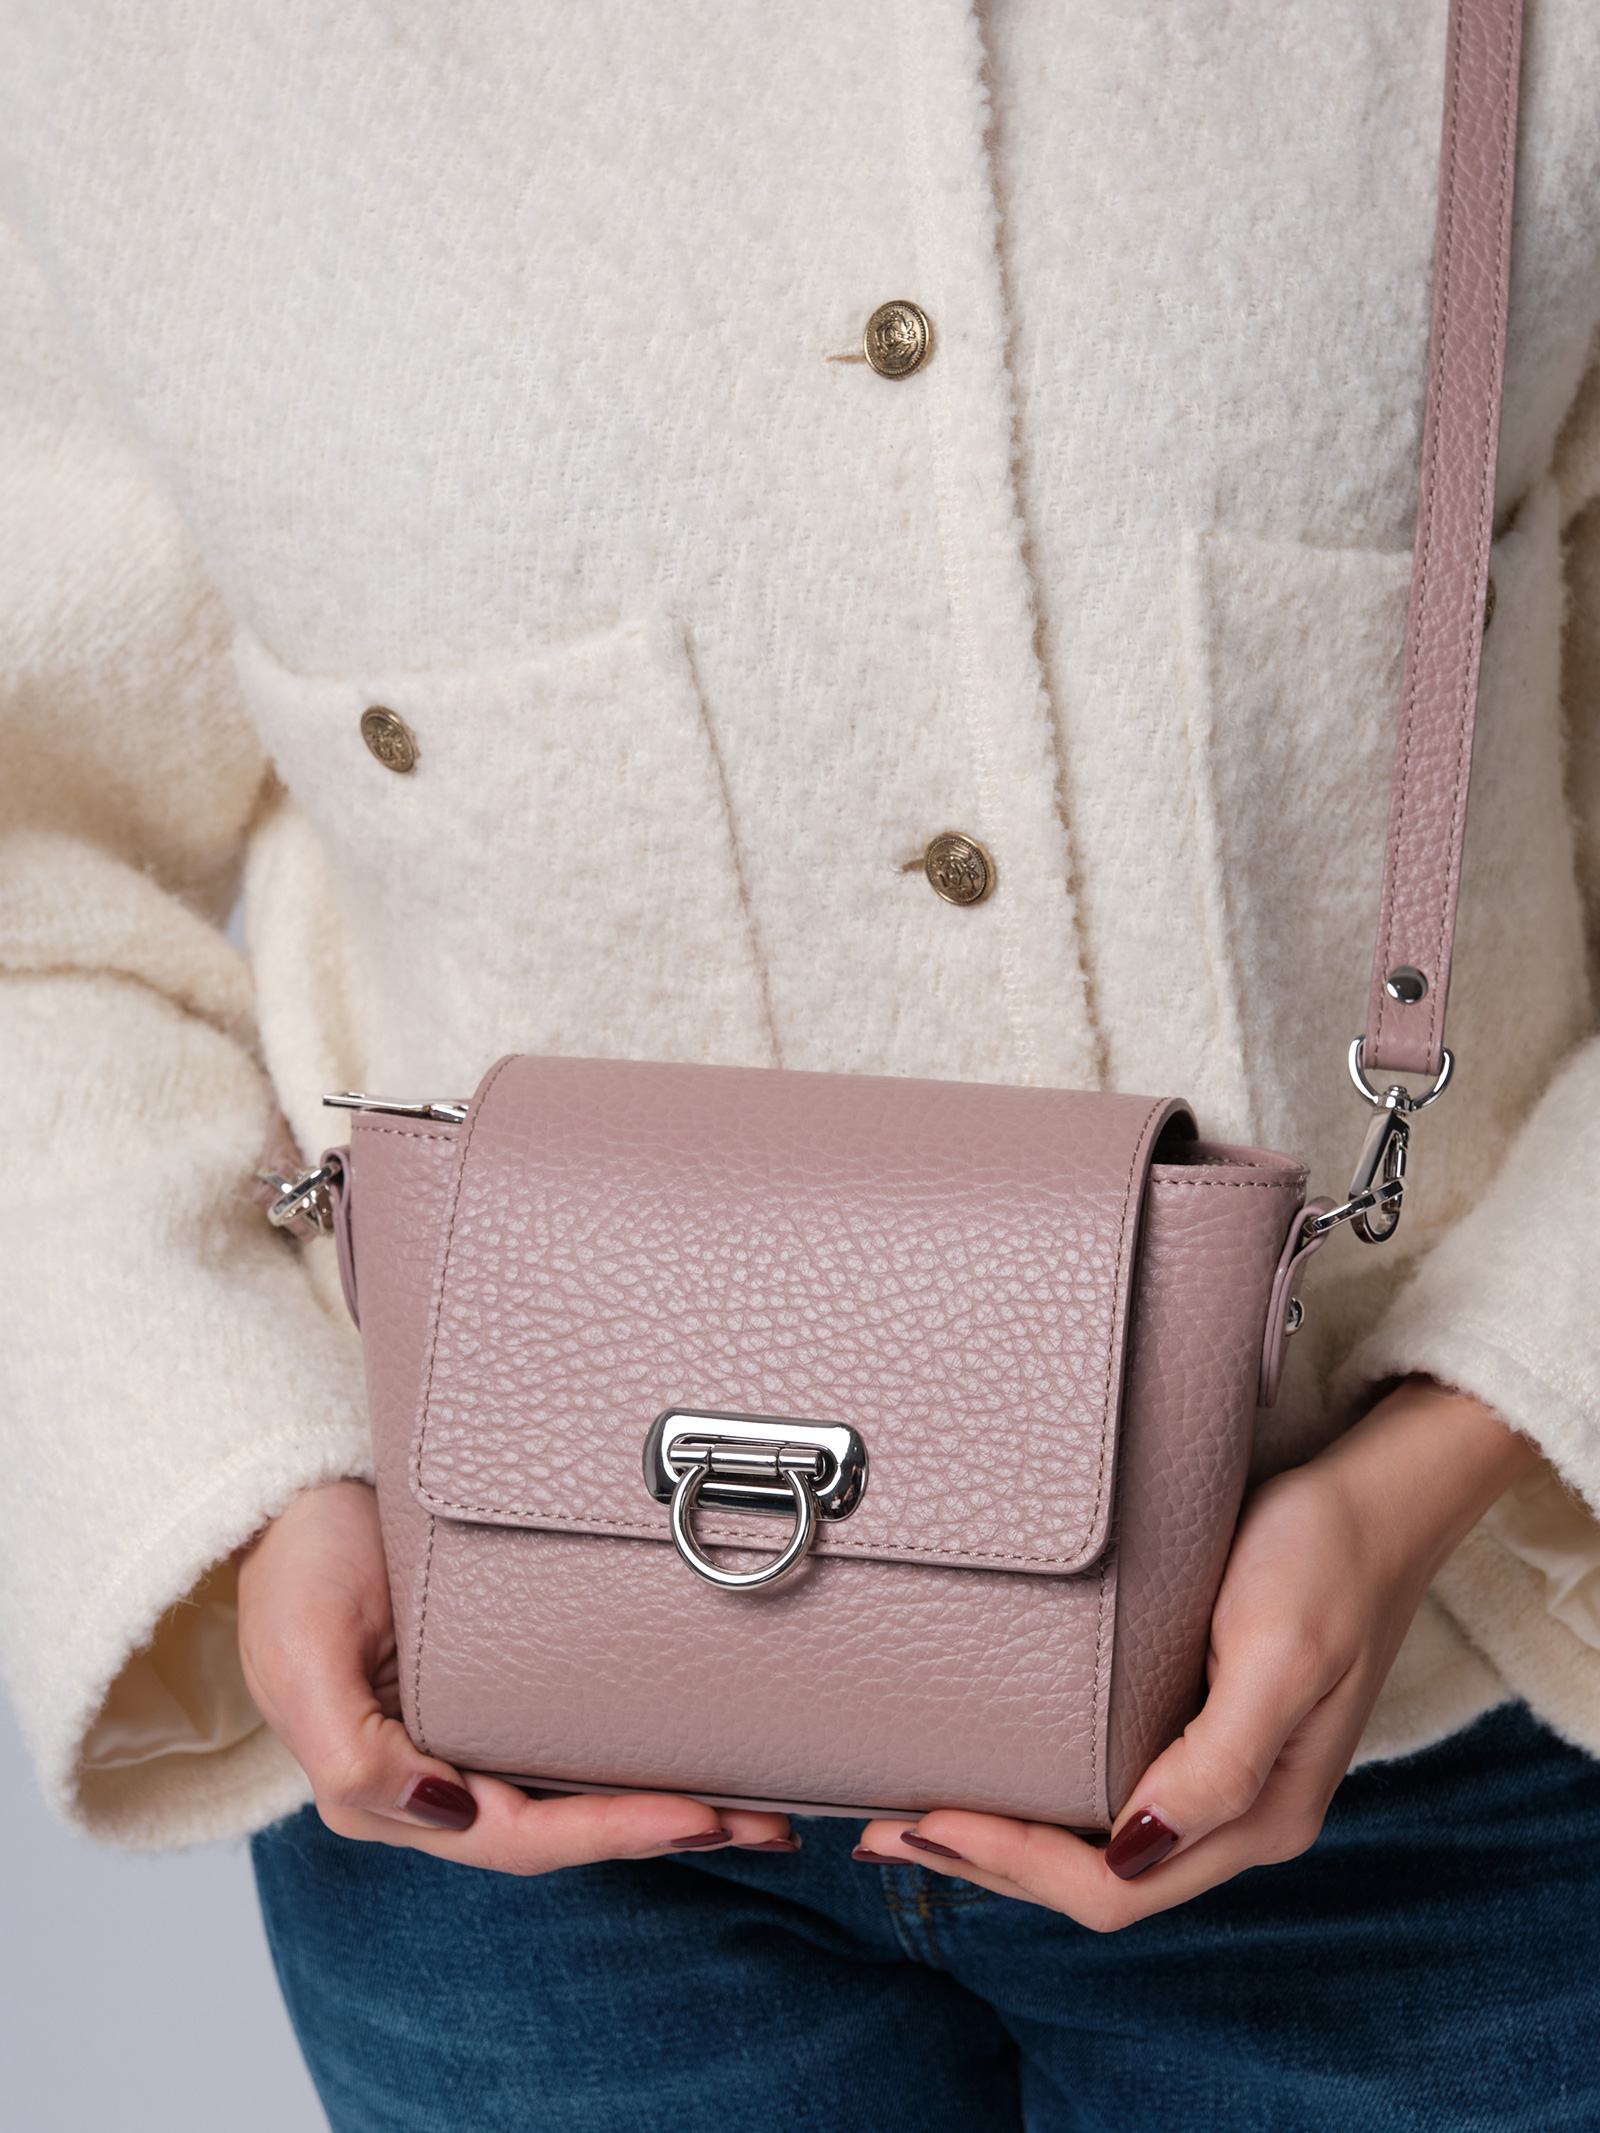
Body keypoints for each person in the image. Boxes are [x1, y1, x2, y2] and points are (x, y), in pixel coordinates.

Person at [3, 1, 1600, 2124]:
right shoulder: (146, 51)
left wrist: (1455, 1450)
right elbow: (29, 881)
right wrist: (243, 1471)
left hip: (1447, 1749)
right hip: (506, 1818)